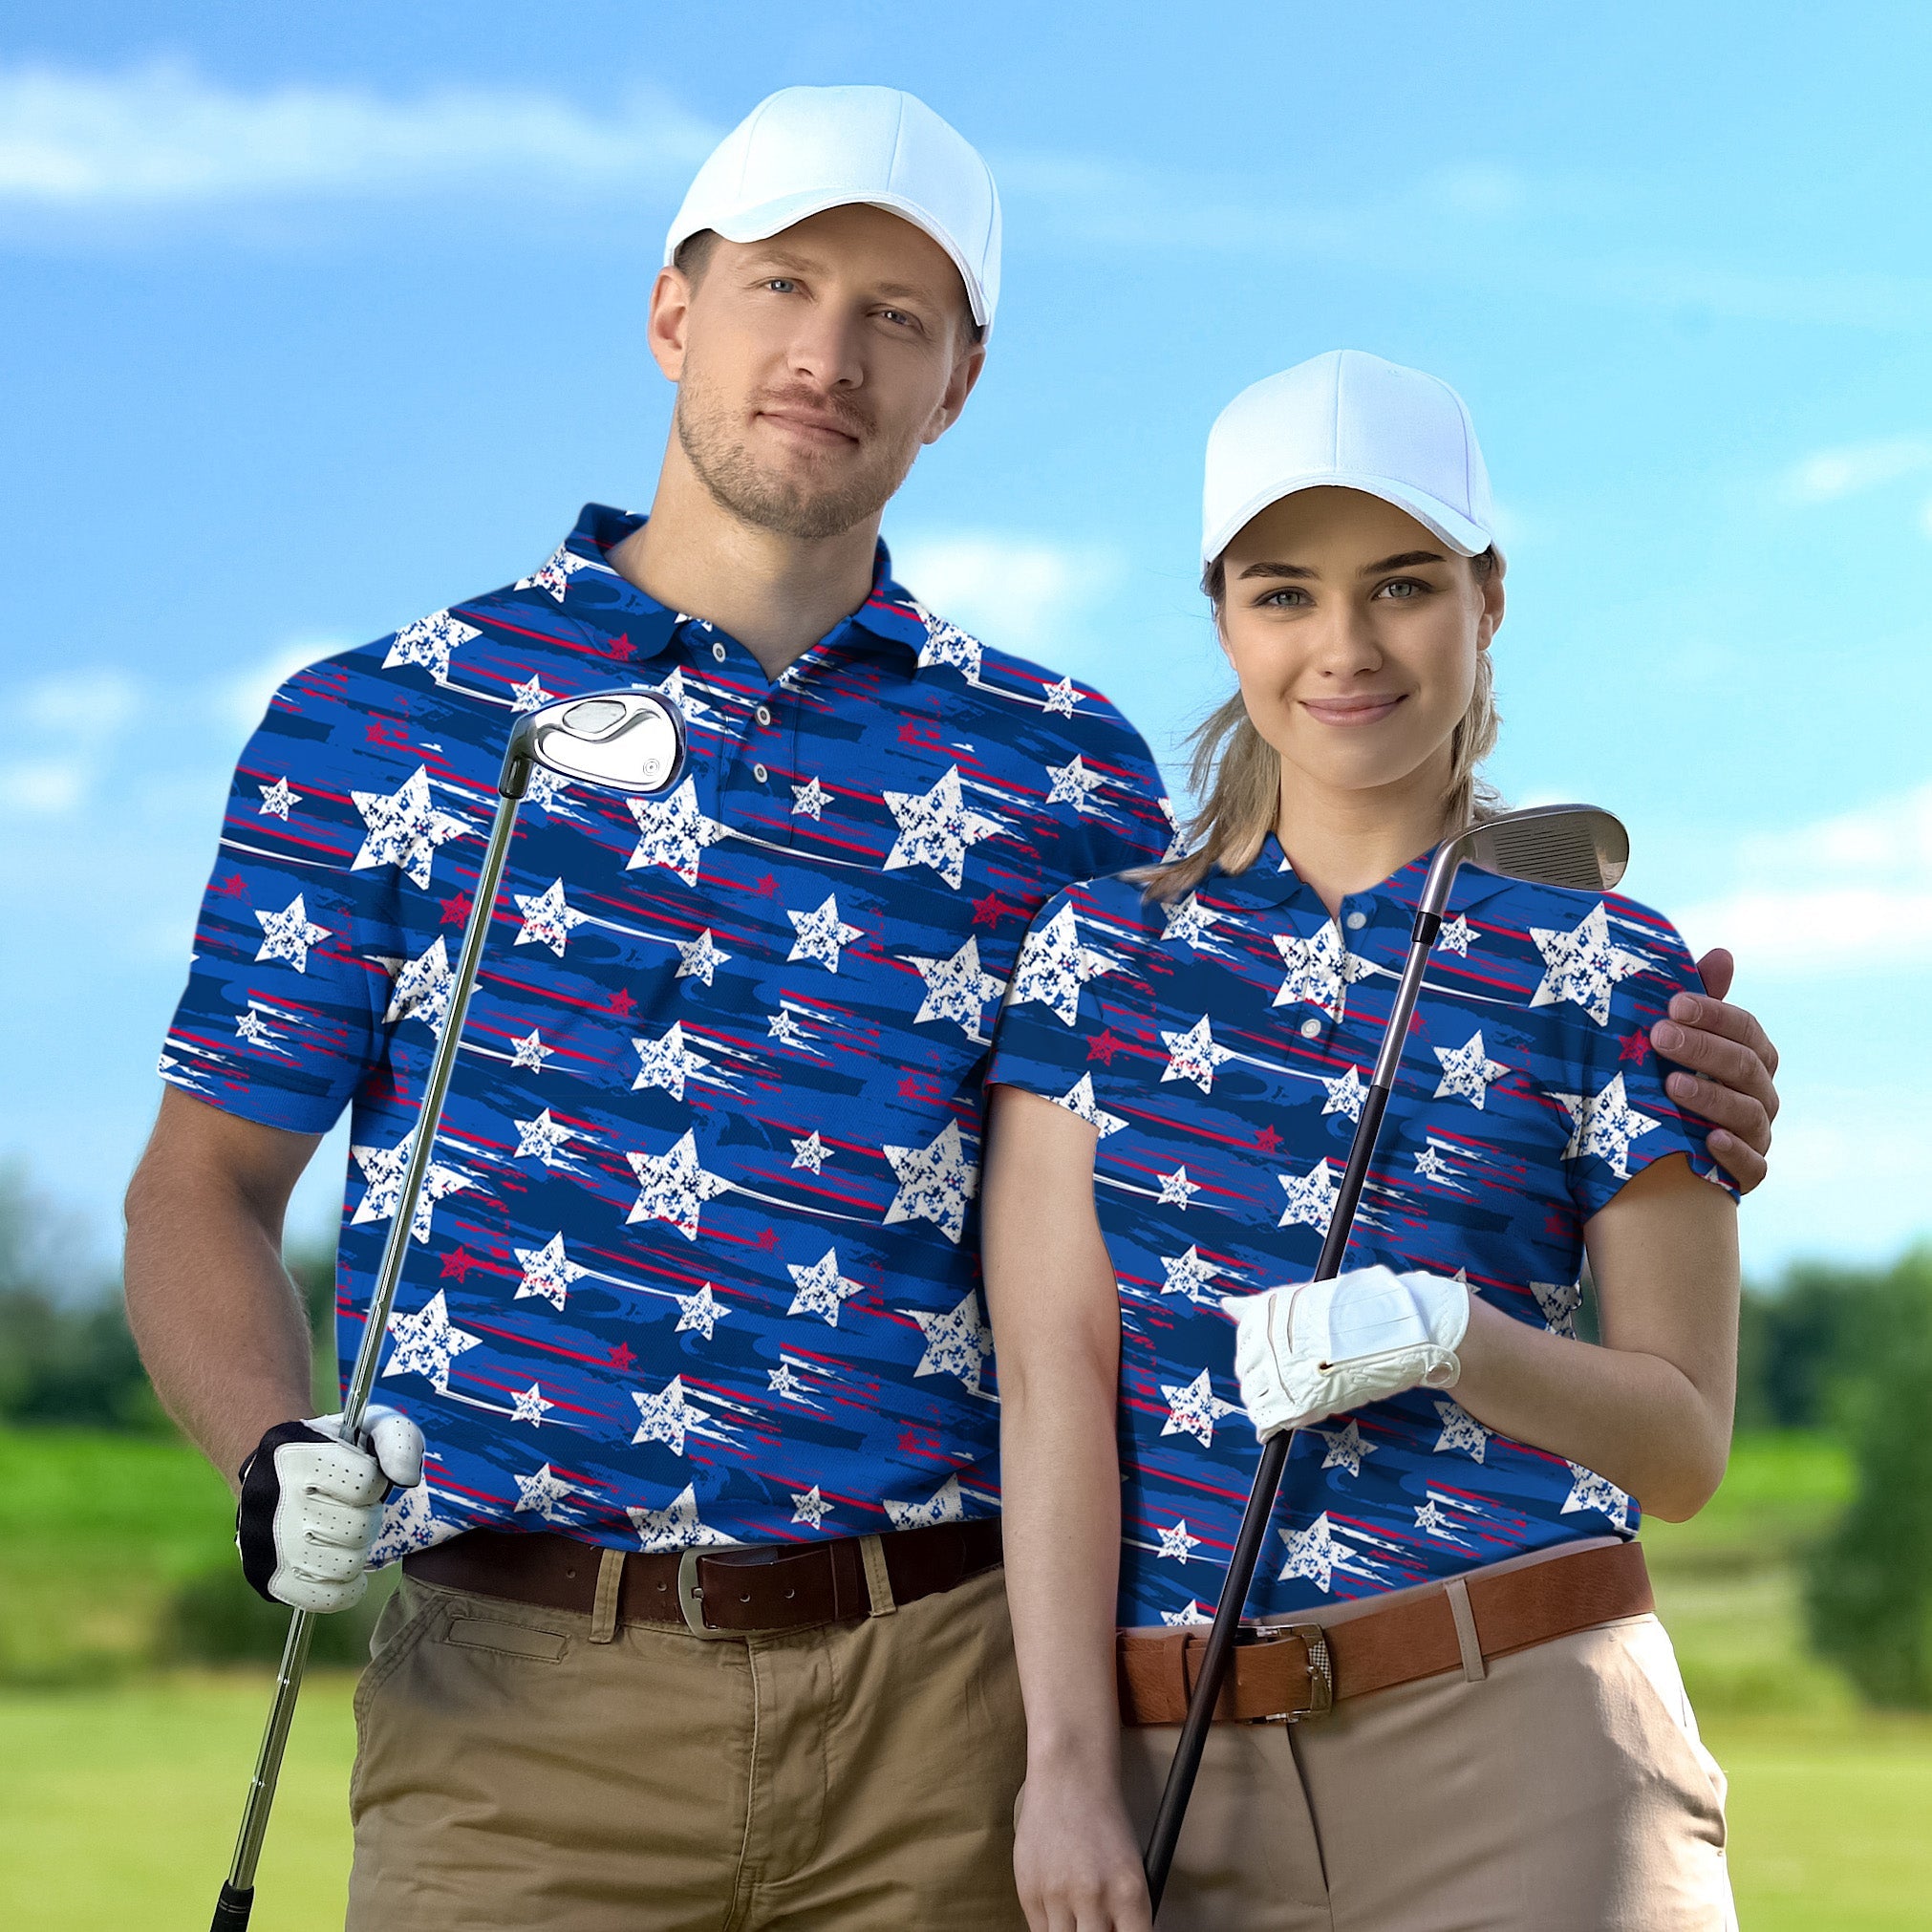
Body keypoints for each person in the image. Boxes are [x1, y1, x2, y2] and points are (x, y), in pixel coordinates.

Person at [120, 84, 1776, 1929]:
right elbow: (201, 1185)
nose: (826, 355)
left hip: (947, 1698)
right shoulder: (385, 723)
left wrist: (1650, 1058)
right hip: (516, 1706)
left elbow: (1280, 1056)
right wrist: (272, 1453)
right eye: (780, 287)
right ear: (674, 311)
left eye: (894, 316)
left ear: (958, 379)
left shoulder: (1052, 766)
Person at [984, 351, 1748, 1930]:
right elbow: (1056, 1379)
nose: (1343, 647)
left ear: (1485, 600)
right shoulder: (1093, 959)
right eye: (1283, 594)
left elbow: (1678, 1448)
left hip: (1530, 1732)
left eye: (1400, 585)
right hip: (1184, 1768)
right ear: (1221, 618)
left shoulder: (1611, 966)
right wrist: (1063, 1763)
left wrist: (1446, 1333)